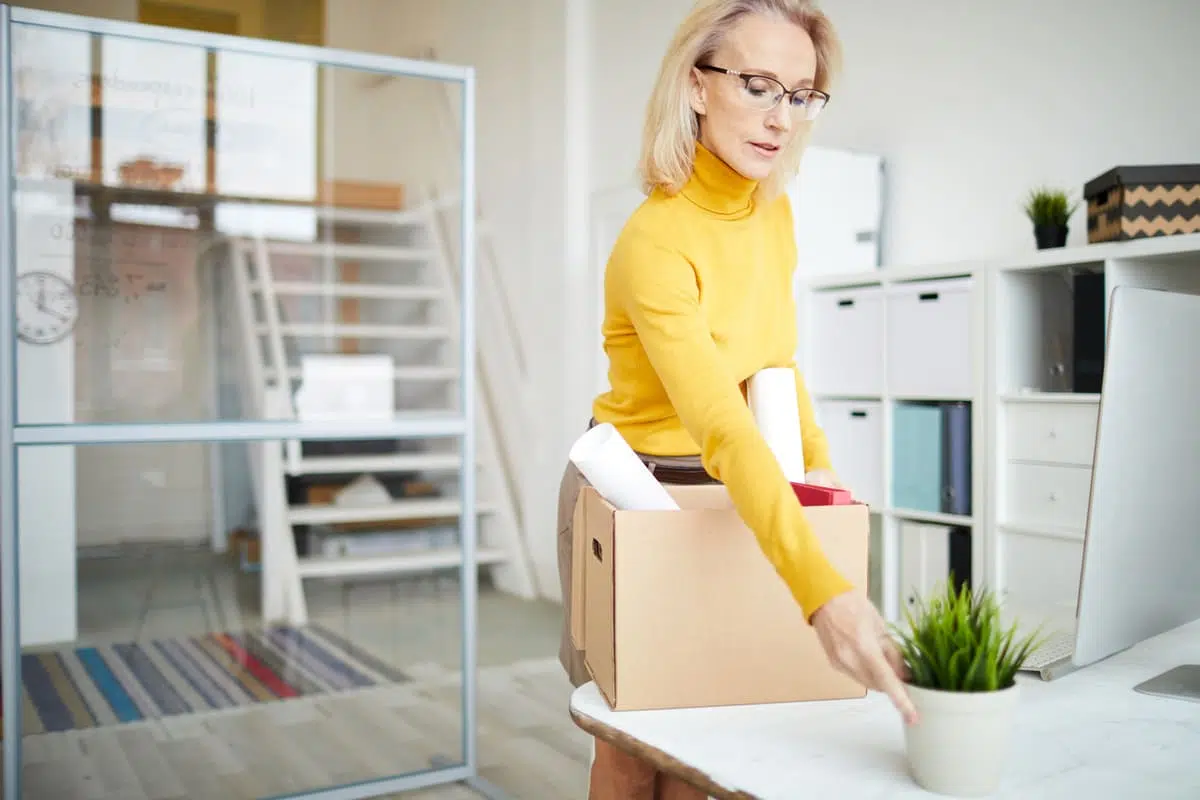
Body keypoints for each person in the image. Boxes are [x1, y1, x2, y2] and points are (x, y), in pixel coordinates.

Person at [557, 0, 918, 797]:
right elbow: (721, 421)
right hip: (632, 496)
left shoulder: (773, 213)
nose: (780, 117)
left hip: (728, 495)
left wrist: (831, 505)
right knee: (630, 740)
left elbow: (775, 374)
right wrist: (822, 594)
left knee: (707, 740)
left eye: (800, 94)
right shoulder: (655, 240)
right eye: (758, 86)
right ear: (696, 85)